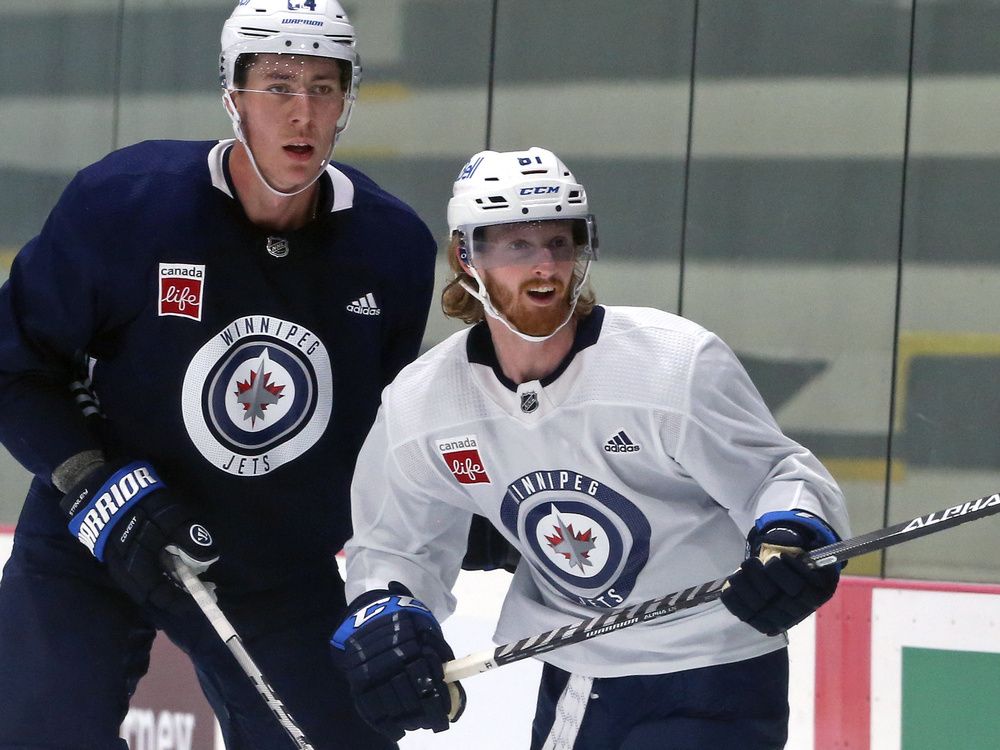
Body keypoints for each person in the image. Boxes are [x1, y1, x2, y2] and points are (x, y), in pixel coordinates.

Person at [0, 2, 436, 748]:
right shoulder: (125, 203)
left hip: (271, 567)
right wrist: (88, 480)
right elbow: (14, 365)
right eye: (277, 85)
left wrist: (409, 580)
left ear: (347, 102)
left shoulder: (391, 249)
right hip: (100, 535)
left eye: (324, 88)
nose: (301, 113)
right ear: (233, 97)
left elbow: (387, 437)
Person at [329, 148, 851, 749]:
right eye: (515, 246)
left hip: (718, 667)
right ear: (465, 257)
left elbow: (775, 475)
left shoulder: (672, 364)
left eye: (559, 241)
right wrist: (390, 617)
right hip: (583, 674)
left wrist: (792, 533)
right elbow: (395, 545)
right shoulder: (424, 403)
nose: (545, 266)